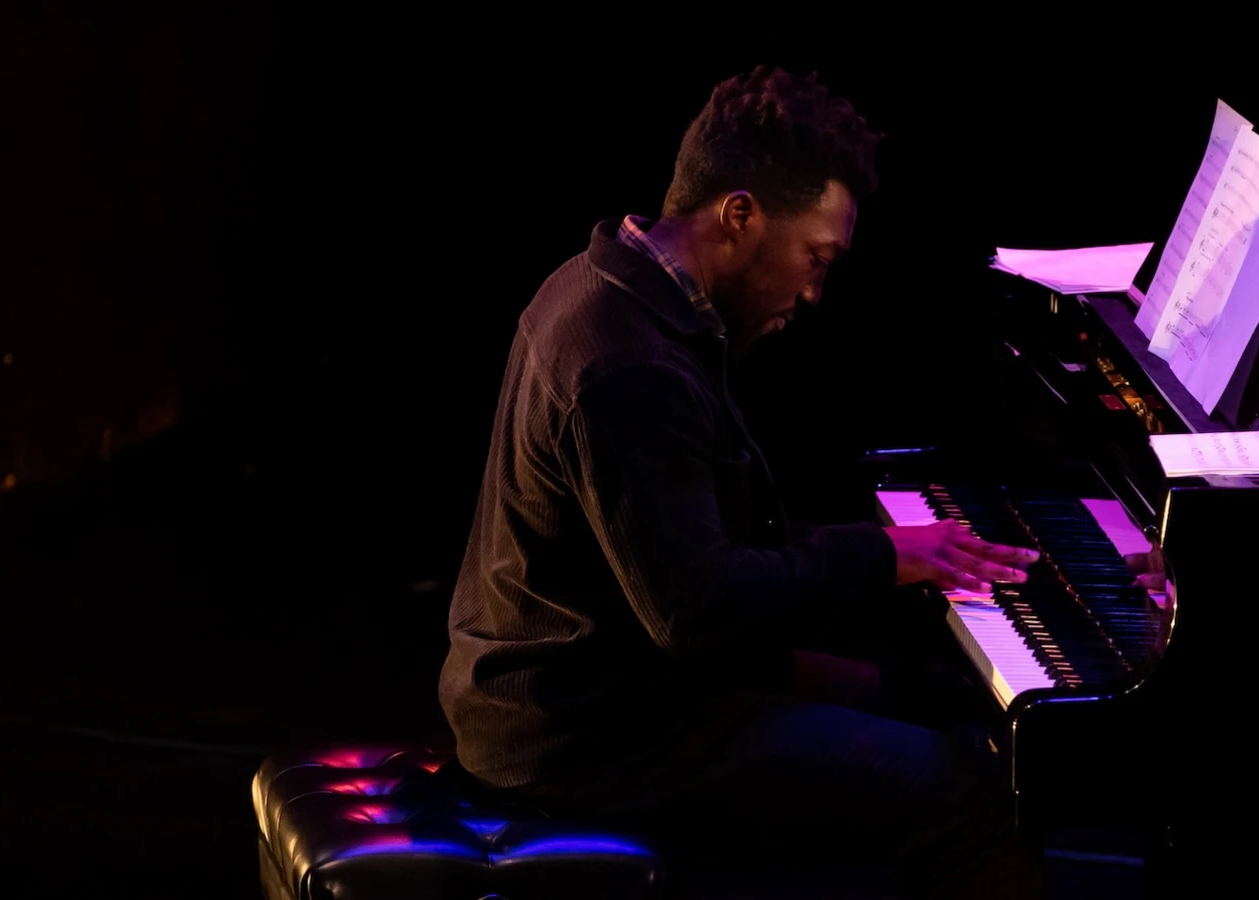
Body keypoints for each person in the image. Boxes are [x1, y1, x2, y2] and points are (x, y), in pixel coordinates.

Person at [437, 66, 1043, 898]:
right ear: (739, 215)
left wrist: (892, 551)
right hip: (583, 738)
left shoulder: (610, 286)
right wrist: (880, 556)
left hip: (615, 688)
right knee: (975, 794)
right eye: (815, 256)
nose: (814, 290)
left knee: (941, 701)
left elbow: (712, 553)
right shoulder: (627, 365)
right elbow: (700, 612)